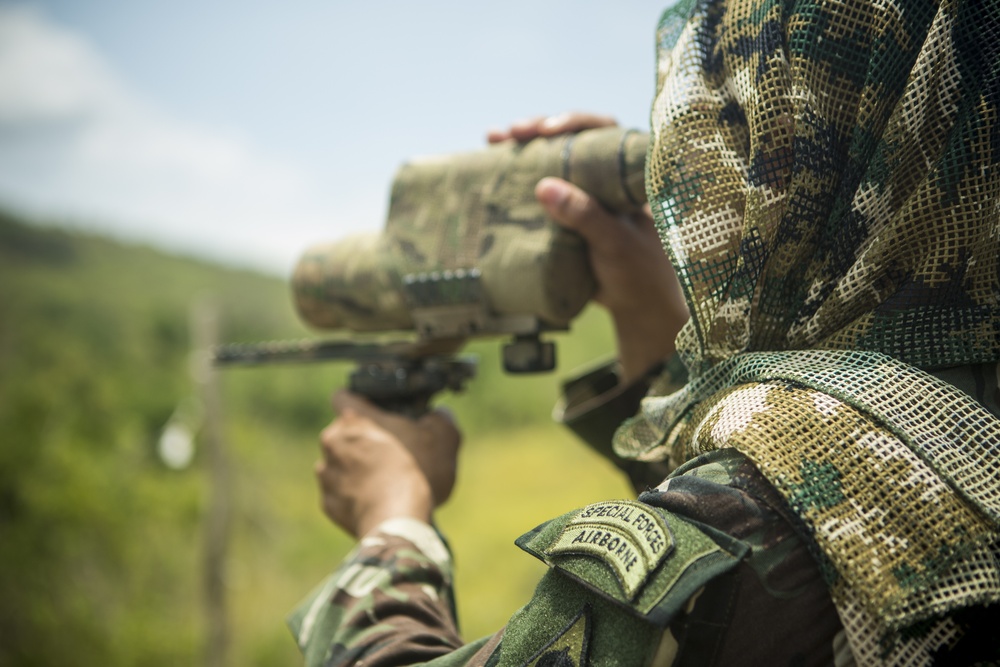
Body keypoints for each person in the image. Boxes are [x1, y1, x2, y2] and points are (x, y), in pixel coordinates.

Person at [289, 1, 1000, 664]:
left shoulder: (763, 509)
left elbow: (730, 541)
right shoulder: (948, 402)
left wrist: (392, 522)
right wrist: (654, 321)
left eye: (739, 129)